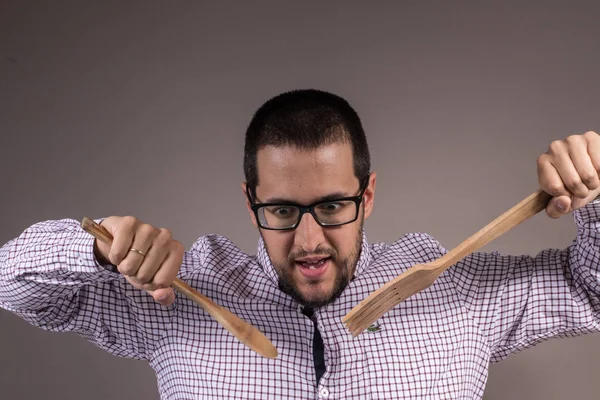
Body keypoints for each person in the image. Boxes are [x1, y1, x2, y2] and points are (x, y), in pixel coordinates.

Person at [1, 89, 599, 399]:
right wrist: (99, 250)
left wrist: (595, 194)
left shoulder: (455, 287)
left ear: (366, 196)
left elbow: (589, 291)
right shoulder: (173, 298)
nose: (310, 241)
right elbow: (11, 283)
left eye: (333, 206)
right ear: (250, 202)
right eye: (283, 210)